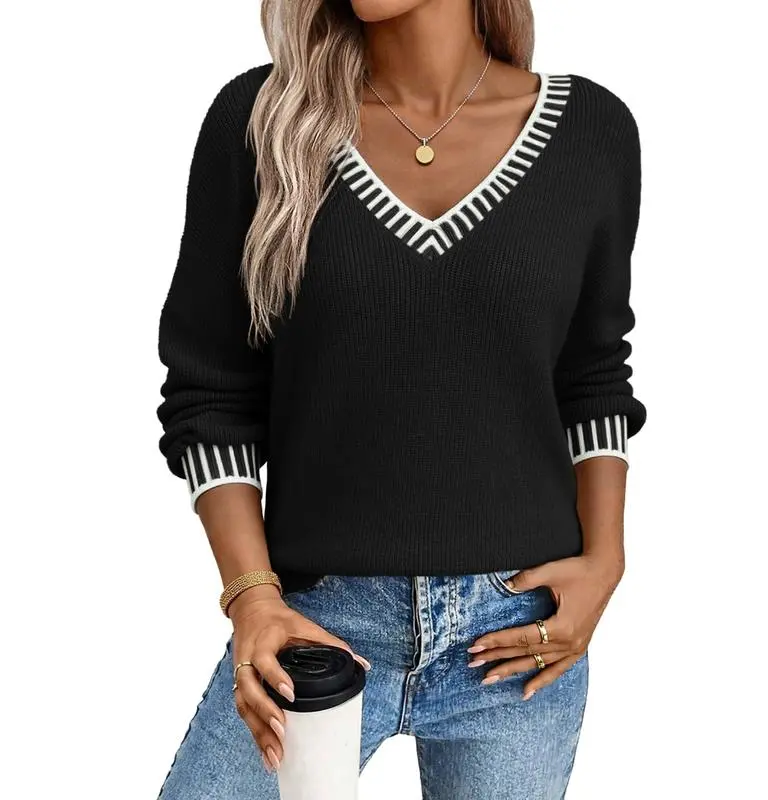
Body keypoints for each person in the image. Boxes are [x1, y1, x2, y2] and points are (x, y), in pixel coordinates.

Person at [154, 1, 647, 797]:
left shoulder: (591, 131)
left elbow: (592, 372)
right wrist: (252, 597)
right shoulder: (261, 120)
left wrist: (607, 559)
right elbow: (209, 392)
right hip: (312, 628)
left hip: (519, 637)